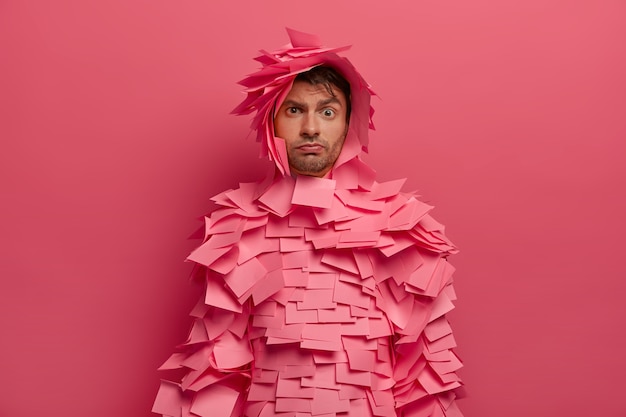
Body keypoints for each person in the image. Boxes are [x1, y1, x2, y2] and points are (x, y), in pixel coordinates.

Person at [153, 28, 464, 417]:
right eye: (295, 109)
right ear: (272, 122)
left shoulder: (401, 226)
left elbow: (425, 375)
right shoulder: (234, 226)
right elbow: (215, 370)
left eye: (327, 111)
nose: (312, 128)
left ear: (348, 123)